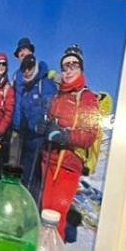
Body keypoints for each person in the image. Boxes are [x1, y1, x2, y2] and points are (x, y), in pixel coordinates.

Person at [40, 46, 100, 239]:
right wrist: (45, 127)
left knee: (57, 215)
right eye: (65, 66)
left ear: (81, 68)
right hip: (48, 161)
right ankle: (42, 249)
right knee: (45, 211)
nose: (68, 70)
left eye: (73, 65)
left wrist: (64, 136)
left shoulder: (87, 98)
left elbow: (89, 135)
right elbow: (51, 121)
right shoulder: (59, 95)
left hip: (68, 166)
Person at [11, 53, 53, 201]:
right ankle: (21, 203)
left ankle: (30, 206)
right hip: (28, 138)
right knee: (24, 175)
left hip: (40, 141)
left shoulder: (44, 84)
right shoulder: (26, 88)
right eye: (24, 68)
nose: (27, 71)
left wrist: (44, 123)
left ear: (35, 66)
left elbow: (51, 106)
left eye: (30, 67)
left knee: (33, 181)